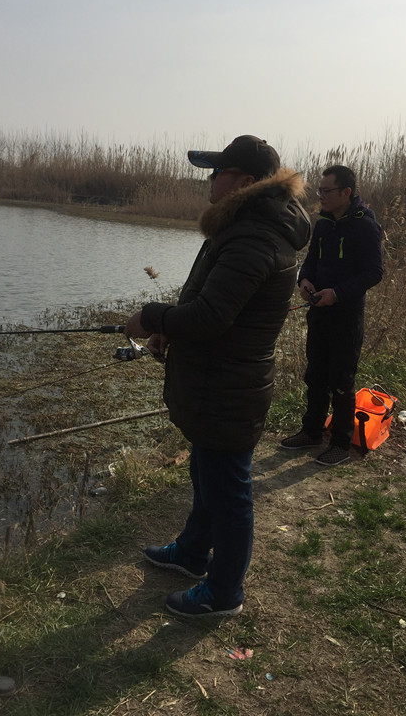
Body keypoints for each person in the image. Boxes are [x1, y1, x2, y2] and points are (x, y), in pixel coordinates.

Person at [124, 135, 311, 617]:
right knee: (207, 475)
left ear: (245, 181)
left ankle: (224, 592)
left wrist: (152, 316)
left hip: (228, 388)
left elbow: (210, 318)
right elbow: (211, 304)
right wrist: (170, 329)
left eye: (218, 172)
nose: (210, 180)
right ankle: (191, 553)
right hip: (219, 382)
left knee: (229, 493)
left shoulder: (254, 239)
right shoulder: (246, 228)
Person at [280, 165, 383, 466]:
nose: (321, 196)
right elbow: (310, 261)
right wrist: (304, 281)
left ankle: (340, 443)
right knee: (315, 375)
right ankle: (311, 432)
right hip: (318, 312)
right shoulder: (323, 224)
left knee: (341, 380)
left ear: (346, 192)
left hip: (347, 316)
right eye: (320, 190)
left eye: (326, 191)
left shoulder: (365, 226)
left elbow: (374, 272)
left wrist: (337, 293)